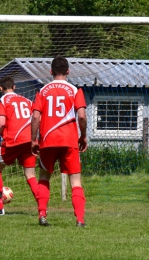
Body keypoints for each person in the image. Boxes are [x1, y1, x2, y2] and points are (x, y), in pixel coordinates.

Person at [31, 56, 87, 227]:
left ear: (51, 72)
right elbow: (82, 116)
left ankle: (42, 214)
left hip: (47, 140)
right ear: (68, 71)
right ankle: (79, 219)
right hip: (69, 140)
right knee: (75, 180)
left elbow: (35, 117)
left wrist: (33, 139)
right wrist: (83, 136)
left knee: (44, 177)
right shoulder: (75, 90)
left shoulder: (42, 91)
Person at [0, 76, 38, 215]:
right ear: (14, 87)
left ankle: (0, 208)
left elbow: (2, 123)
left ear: (0, 88)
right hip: (29, 140)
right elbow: (37, 116)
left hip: (12, 140)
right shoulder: (27, 100)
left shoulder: (3, 101)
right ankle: (42, 208)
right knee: (30, 175)